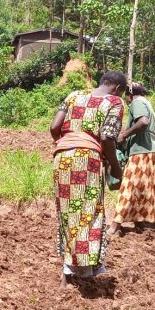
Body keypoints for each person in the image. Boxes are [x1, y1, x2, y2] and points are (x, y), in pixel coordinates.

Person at [50, 71, 127, 287]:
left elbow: (54, 128)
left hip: (62, 156)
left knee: (68, 214)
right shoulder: (115, 102)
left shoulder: (73, 95)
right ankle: (81, 272)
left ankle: (72, 271)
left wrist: (67, 143)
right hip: (87, 158)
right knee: (89, 214)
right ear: (118, 88)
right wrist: (115, 167)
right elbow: (107, 137)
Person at [108, 82, 155, 236]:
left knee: (129, 187)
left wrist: (124, 135)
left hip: (141, 154)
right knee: (148, 188)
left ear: (129, 94)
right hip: (152, 151)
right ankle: (146, 222)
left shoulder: (136, 103)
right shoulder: (147, 103)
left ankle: (115, 226)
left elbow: (143, 122)